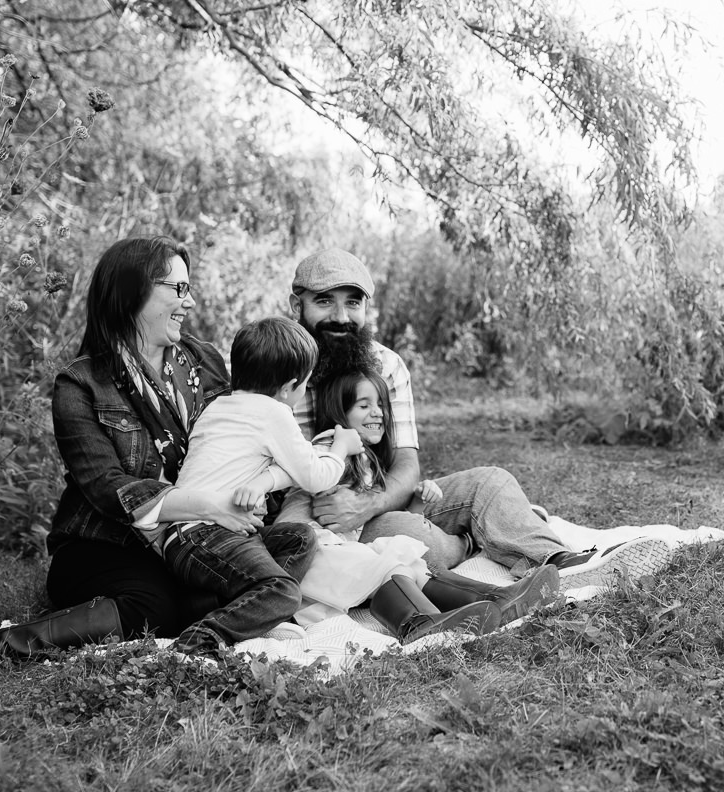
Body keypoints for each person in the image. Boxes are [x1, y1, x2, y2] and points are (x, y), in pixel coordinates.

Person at [0, 236, 243, 687]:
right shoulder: (81, 384)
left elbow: (238, 437)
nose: (189, 301)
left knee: (235, 584)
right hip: (104, 545)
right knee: (155, 608)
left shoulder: (204, 361)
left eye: (188, 288)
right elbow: (107, 486)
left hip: (189, 539)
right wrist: (207, 505)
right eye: (177, 289)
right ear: (132, 292)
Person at [284, 249, 671, 586]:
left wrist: (369, 504)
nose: (341, 316)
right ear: (295, 305)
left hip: (380, 499)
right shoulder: (275, 373)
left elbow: (405, 463)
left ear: (366, 308)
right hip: (318, 524)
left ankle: (560, 563)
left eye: (353, 303)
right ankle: (475, 538)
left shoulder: (387, 365)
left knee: (491, 482)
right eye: (324, 301)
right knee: (402, 534)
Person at [281, 369, 562, 642]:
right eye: (363, 405)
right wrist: (338, 451)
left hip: (338, 552)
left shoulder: (364, 458)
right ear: (339, 414)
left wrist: (415, 503)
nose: (377, 412)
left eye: (380, 404)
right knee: (387, 563)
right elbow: (314, 474)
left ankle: (495, 599)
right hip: (312, 557)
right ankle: (418, 622)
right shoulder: (330, 445)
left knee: (406, 559)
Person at [146, 316, 348, 656]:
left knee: (299, 536)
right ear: (289, 386)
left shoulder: (218, 406)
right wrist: (340, 448)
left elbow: (285, 467)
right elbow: (316, 477)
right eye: (304, 386)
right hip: (207, 535)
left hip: (185, 537)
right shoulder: (274, 413)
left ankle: (257, 615)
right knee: (284, 590)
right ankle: (201, 640)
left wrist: (275, 474)